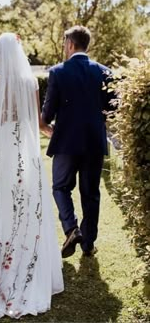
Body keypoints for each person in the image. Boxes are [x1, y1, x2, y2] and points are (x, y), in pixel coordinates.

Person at [0, 33, 64, 321]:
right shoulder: (30, 83)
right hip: (24, 154)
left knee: (2, 204)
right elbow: (37, 122)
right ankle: (30, 264)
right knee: (27, 207)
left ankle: (2, 261)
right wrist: (53, 134)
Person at [42, 25, 116, 258]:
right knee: (90, 193)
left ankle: (71, 229)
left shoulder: (58, 72)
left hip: (65, 141)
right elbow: (113, 108)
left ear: (71, 44)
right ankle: (88, 245)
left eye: (65, 44)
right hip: (94, 141)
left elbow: (47, 112)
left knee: (60, 187)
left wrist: (46, 125)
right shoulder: (105, 72)